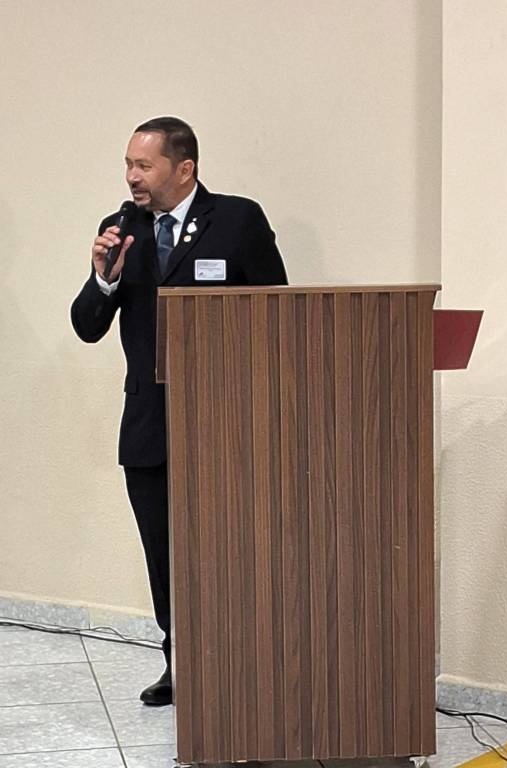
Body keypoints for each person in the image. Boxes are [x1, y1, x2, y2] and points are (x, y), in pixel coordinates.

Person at [71, 116, 288, 706]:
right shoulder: (121, 230)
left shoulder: (237, 221)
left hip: (228, 422)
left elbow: (280, 315)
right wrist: (104, 280)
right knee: (164, 554)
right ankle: (180, 664)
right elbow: (87, 326)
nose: (131, 177)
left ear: (184, 168)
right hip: (150, 424)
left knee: (231, 549)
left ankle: (243, 664)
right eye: (128, 164)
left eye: (144, 165)